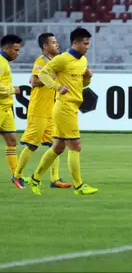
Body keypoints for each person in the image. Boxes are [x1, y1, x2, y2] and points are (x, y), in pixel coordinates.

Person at [28, 27, 98, 195]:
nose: (87, 47)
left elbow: (82, 85)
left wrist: (87, 77)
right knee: (75, 145)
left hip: (72, 106)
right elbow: (43, 74)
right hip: (64, 106)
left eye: (88, 44)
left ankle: (35, 178)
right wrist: (57, 86)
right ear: (75, 43)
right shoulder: (62, 59)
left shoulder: (83, 61)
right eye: (85, 44)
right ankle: (79, 186)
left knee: (58, 147)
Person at [14, 33, 72, 189]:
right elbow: (33, 81)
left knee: (55, 145)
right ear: (45, 46)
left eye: (57, 42)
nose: (57, 45)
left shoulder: (54, 62)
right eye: (53, 42)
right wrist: (51, 77)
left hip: (50, 110)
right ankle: (17, 176)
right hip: (38, 110)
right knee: (32, 145)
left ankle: (55, 179)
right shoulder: (41, 61)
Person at [0, 35, 22, 188]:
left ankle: (16, 176)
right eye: (15, 50)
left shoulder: (5, 62)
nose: (17, 53)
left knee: (12, 141)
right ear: (6, 48)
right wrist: (12, 90)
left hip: (6, 108)